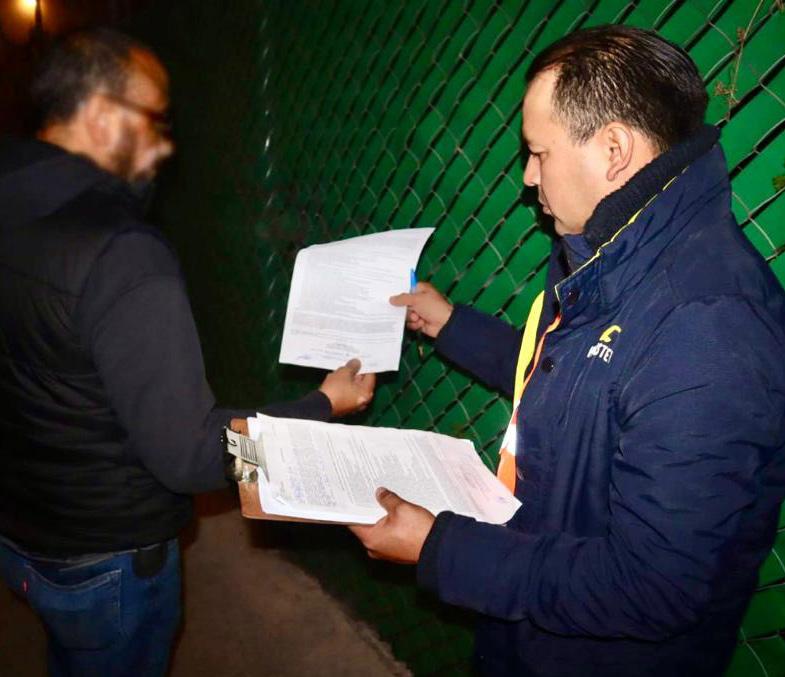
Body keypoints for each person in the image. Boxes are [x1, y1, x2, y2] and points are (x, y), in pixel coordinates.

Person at [350, 24, 785, 677]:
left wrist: (440, 548)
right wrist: (451, 325)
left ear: (613, 149)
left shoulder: (709, 330)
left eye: (537, 152)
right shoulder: (618, 250)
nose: (528, 179)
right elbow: (580, 384)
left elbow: (650, 587)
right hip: (536, 626)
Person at [0, 28, 375, 676]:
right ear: (99, 115)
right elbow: (194, 457)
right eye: (155, 120)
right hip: (105, 555)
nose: (166, 146)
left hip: (21, 523)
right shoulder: (122, 254)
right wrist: (320, 406)